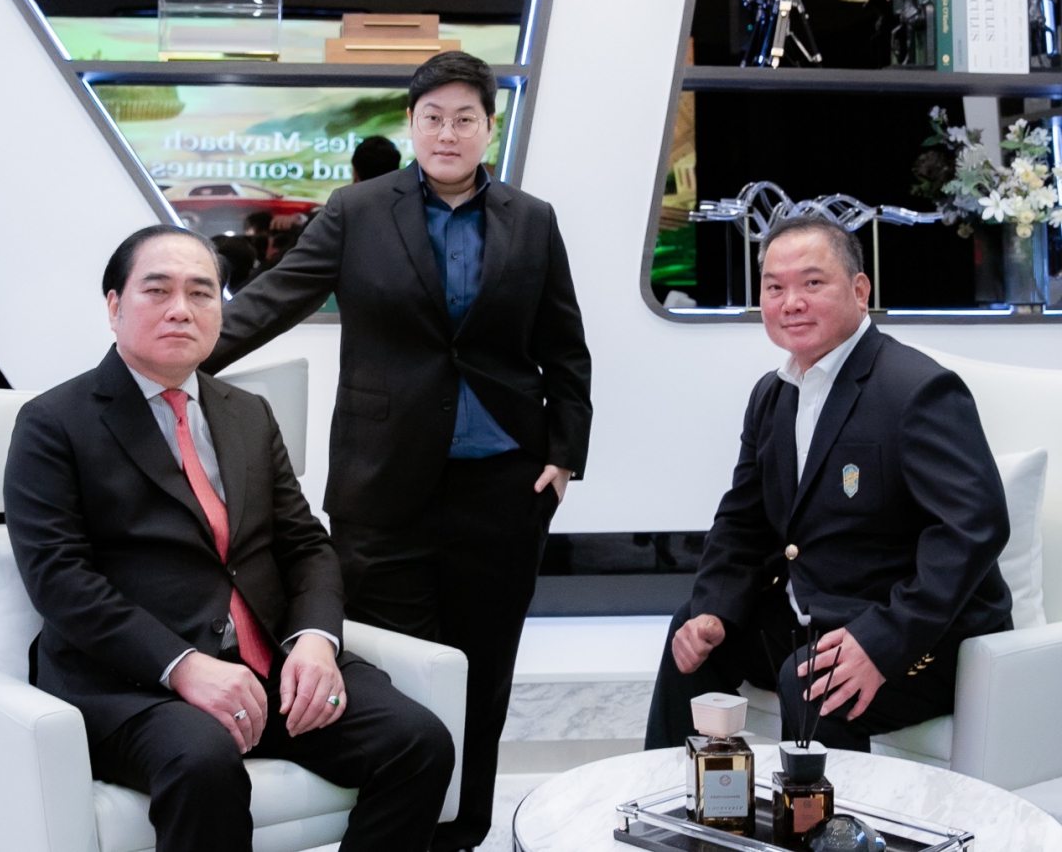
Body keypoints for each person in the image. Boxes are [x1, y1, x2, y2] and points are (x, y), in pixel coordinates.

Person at [201, 51, 593, 851]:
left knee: (482, 675)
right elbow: (277, 298)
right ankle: (399, 831)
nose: (448, 133)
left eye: (465, 118)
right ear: (411, 124)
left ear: (490, 128)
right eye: (432, 117)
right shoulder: (358, 210)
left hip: (503, 488)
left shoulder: (532, 220)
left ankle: (464, 832)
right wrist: (178, 355)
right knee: (394, 674)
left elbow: (564, 346)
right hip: (382, 488)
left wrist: (564, 453)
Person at [3, 224, 454, 852]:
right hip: (135, 683)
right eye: (157, 290)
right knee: (203, 763)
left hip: (270, 668)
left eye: (201, 293)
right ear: (114, 305)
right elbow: (59, 579)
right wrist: (182, 666)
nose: (181, 309)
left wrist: (316, 641)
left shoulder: (248, 412)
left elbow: (305, 545)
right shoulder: (53, 423)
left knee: (419, 742)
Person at [644, 215, 1013, 751]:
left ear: (860, 290)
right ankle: (677, 796)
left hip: (923, 632)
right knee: (693, 638)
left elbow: (974, 528)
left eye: (812, 283)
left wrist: (881, 641)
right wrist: (713, 609)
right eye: (775, 288)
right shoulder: (772, 396)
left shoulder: (918, 389)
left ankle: (827, 811)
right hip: (821, 614)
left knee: (812, 684)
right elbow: (743, 522)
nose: (791, 302)